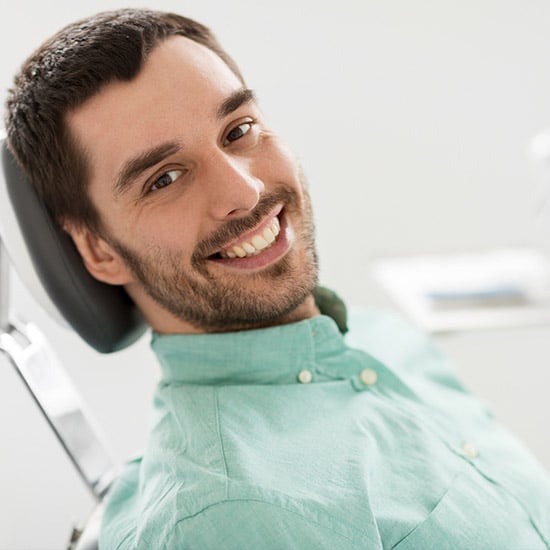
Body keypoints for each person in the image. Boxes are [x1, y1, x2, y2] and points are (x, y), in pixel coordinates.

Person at [5, 8, 549, 549]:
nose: (243, 191)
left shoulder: (385, 339)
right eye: (164, 178)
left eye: (238, 130)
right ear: (99, 251)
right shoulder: (228, 518)